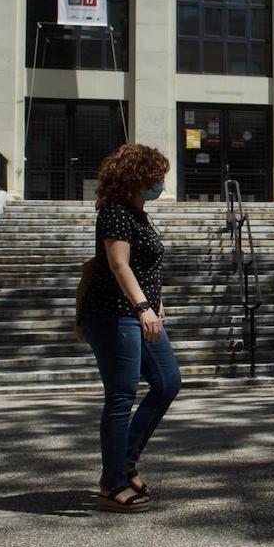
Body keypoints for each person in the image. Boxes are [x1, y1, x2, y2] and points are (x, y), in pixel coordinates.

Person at [79, 144, 181, 513]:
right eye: (156, 178)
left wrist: (157, 302)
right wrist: (142, 307)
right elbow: (119, 264)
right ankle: (112, 484)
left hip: (141, 312)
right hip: (114, 314)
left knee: (168, 382)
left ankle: (124, 460)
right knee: (121, 397)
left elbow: (146, 266)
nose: (161, 184)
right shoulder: (115, 213)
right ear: (137, 179)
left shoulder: (140, 214)